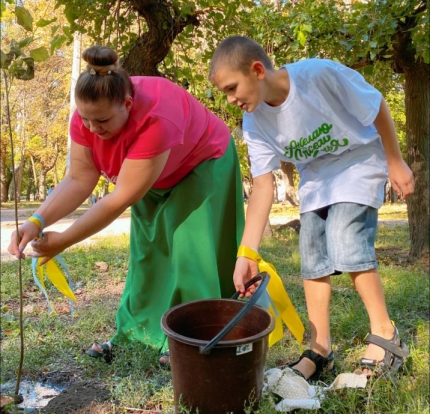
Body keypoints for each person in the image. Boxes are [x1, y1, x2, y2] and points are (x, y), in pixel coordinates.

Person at [8, 45, 244, 365]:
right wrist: (37, 221)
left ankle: (191, 340)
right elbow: (79, 179)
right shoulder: (89, 115)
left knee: (189, 249)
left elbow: (120, 198)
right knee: (147, 253)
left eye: (102, 120)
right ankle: (135, 335)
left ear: (127, 104)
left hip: (202, 160)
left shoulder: (157, 118)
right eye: (86, 119)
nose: (93, 129)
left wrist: (63, 240)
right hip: (154, 171)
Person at [210, 35, 414, 380]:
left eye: (232, 88)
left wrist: (395, 161)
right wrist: (247, 252)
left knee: (345, 237)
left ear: (257, 70)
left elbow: (375, 104)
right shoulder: (255, 123)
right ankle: (320, 350)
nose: (231, 100)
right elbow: (262, 187)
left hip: (358, 161)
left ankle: (386, 334)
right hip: (317, 177)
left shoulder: (317, 76)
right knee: (313, 253)